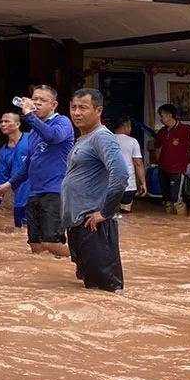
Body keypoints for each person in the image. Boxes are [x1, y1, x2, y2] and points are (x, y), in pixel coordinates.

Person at [0, 85, 74, 258]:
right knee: (35, 245)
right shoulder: (33, 133)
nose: (36, 103)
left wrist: (29, 115)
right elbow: (28, 165)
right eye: (34, 99)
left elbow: (52, 137)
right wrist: (7, 185)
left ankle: (85, 260)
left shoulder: (63, 122)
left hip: (56, 191)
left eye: (42, 100)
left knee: (51, 241)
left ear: (53, 105)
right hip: (34, 193)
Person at [61, 89, 129, 292]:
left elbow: (121, 176)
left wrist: (105, 212)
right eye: (73, 107)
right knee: (89, 289)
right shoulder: (83, 139)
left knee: (104, 291)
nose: (76, 113)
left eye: (83, 108)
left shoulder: (102, 138)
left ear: (98, 110)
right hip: (79, 224)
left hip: (94, 225)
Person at [153, 103, 190, 215]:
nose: (161, 118)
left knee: (175, 197)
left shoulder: (185, 129)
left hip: (177, 169)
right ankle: (169, 221)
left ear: (169, 115)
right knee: (167, 198)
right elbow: (157, 146)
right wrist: (158, 161)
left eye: (162, 115)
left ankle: (180, 221)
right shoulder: (162, 132)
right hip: (163, 168)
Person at [0, 111, 30, 230]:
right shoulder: (4, 152)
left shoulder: (31, 140)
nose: (2, 124)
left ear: (17, 124)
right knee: (20, 234)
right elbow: (1, 178)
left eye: (7, 121)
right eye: (1, 122)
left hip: (36, 197)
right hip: (19, 201)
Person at [112, 117, 147, 213]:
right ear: (125, 127)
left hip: (108, 184)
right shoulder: (132, 141)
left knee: (107, 213)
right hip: (128, 185)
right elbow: (138, 163)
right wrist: (143, 183)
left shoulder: (107, 140)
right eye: (130, 126)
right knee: (125, 212)